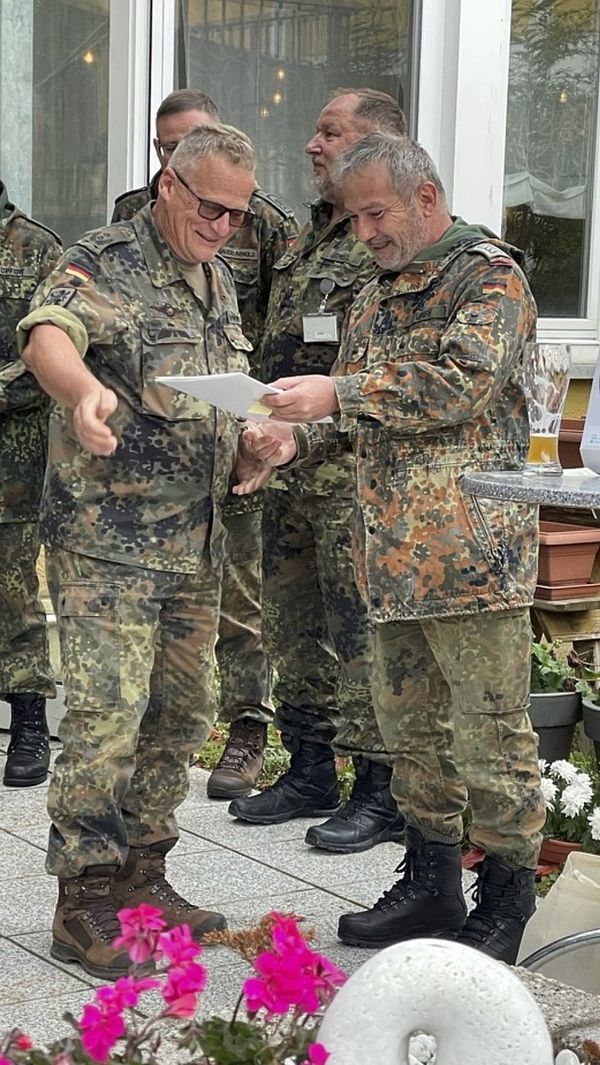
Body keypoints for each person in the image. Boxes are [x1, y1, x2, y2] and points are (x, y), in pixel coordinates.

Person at [237, 132, 545, 965]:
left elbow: (462, 382)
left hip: (469, 558)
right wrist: (293, 443)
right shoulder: (375, 295)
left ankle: (508, 895)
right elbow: (359, 423)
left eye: (376, 213)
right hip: (389, 560)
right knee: (412, 734)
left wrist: (337, 390)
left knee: (490, 733)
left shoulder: (488, 274)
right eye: (353, 215)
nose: (364, 230)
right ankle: (431, 879)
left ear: (427, 199)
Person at [17, 124, 257, 980]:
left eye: (238, 213)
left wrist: (254, 447)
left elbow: (219, 399)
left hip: (195, 540)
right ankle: (81, 899)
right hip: (109, 541)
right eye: (210, 207)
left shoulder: (218, 280)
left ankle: (143, 875)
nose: (225, 226)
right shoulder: (105, 257)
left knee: (181, 716)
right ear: (168, 183)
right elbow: (48, 332)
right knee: (106, 720)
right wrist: (82, 396)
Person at [228, 90, 408, 856]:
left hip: (353, 474)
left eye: (329, 132)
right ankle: (308, 766)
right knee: (293, 623)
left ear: (377, 144)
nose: (311, 144)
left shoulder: (386, 240)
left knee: (357, 630)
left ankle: (377, 789)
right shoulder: (305, 236)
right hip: (289, 464)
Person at [113, 89, 299, 800]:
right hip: (156, 445)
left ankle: (249, 728)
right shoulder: (132, 217)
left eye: (184, 142)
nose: (172, 158)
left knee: (241, 598)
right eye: (164, 149)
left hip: (241, 424)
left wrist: (268, 422)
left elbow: (284, 329)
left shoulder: (264, 226)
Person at [0, 181, 60, 788]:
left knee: (12, 597)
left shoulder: (35, 248)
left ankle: (28, 721)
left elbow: (47, 357)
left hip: (10, 464)